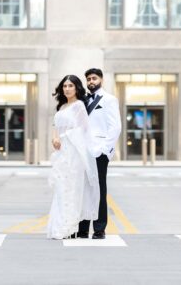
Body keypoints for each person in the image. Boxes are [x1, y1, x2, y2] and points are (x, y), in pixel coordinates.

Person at [46, 75, 99, 239]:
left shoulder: (79, 106)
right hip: (61, 152)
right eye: (64, 86)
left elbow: (84, 130)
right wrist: (55, 138)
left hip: (74, 152)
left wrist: (64, 136)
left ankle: (69, 227)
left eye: (70, 86)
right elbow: (56, 127)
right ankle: (61, 224)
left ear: (76, 88)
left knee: (72, 188)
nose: (67, 89)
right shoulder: (62, 107)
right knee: (61, 188)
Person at [78, 67, 121, 240]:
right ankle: (82, 228)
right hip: (82, 151)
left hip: (99, 152)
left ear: (101, 80)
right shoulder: (82, 101)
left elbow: (115, 126)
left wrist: (105, 151)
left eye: (94, 78)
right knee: (83, 190)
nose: (91, 82)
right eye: (88, 79)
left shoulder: (109, 100)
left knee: (99, 190)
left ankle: (99, 228)